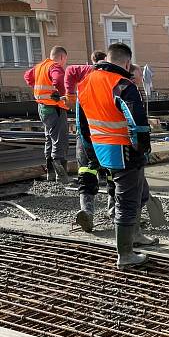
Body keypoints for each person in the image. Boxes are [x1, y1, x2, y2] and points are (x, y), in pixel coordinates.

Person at [76, 43, 156, 269]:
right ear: (127, 63)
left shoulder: (85, 84)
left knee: (137, 192)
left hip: (102, 150)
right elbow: (138, 122)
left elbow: (81, 126)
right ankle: (125, 254)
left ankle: (136, 235)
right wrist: (144, 149)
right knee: (127, 201)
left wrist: (92, 154)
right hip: (124, 150)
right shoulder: (122, 85)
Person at [65, 50, 109, 233]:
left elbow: (80, 123)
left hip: (86, 139)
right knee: (113, 177)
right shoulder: (111, 84)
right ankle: (115, 214)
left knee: (86, 175)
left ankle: (87, 212)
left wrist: (68, 93)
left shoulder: (83, 85)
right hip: (105, 140)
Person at [24, 46, 69, 183]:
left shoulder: (40, 66)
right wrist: (61, 93)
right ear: (62, 57)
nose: (64, 63)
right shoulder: (55, 67)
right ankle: (61, 176)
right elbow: (59, 80)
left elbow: (27, 76)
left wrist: (37, 87)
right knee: (59, 140)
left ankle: (50, 172)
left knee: (49, 138)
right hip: (54, 108)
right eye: (65, 60)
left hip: (42, 107)